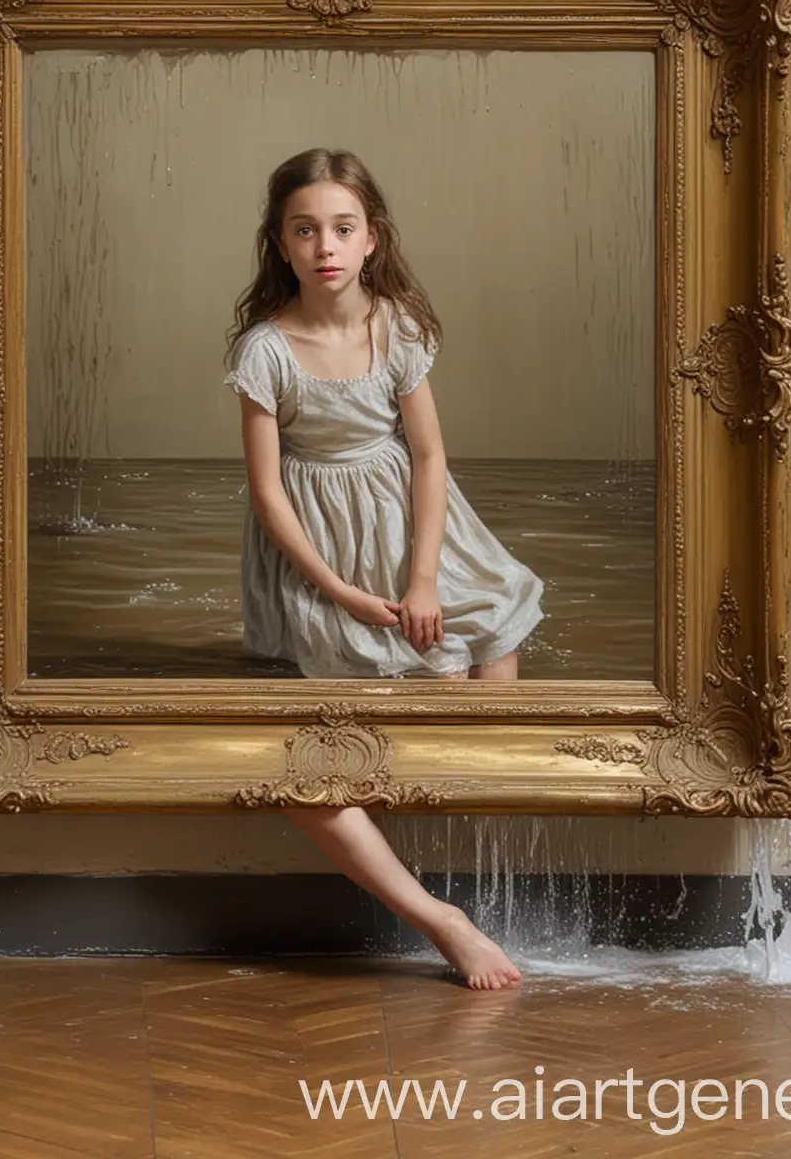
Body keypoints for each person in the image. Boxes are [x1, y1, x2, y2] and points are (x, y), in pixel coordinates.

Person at [223, 148, 544, 990]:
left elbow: (431, 456)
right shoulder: (265, 350)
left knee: (491, 624)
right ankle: (443, 918)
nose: (325, 245)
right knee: (320, 761)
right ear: (281, 245)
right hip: (320, 549)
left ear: (372, 239)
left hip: (410, 522)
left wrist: (424, 578)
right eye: (305, 230)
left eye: (342, 227)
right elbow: (266, 492)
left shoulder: (396, 328)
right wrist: (337, 591)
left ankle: (471, 813)